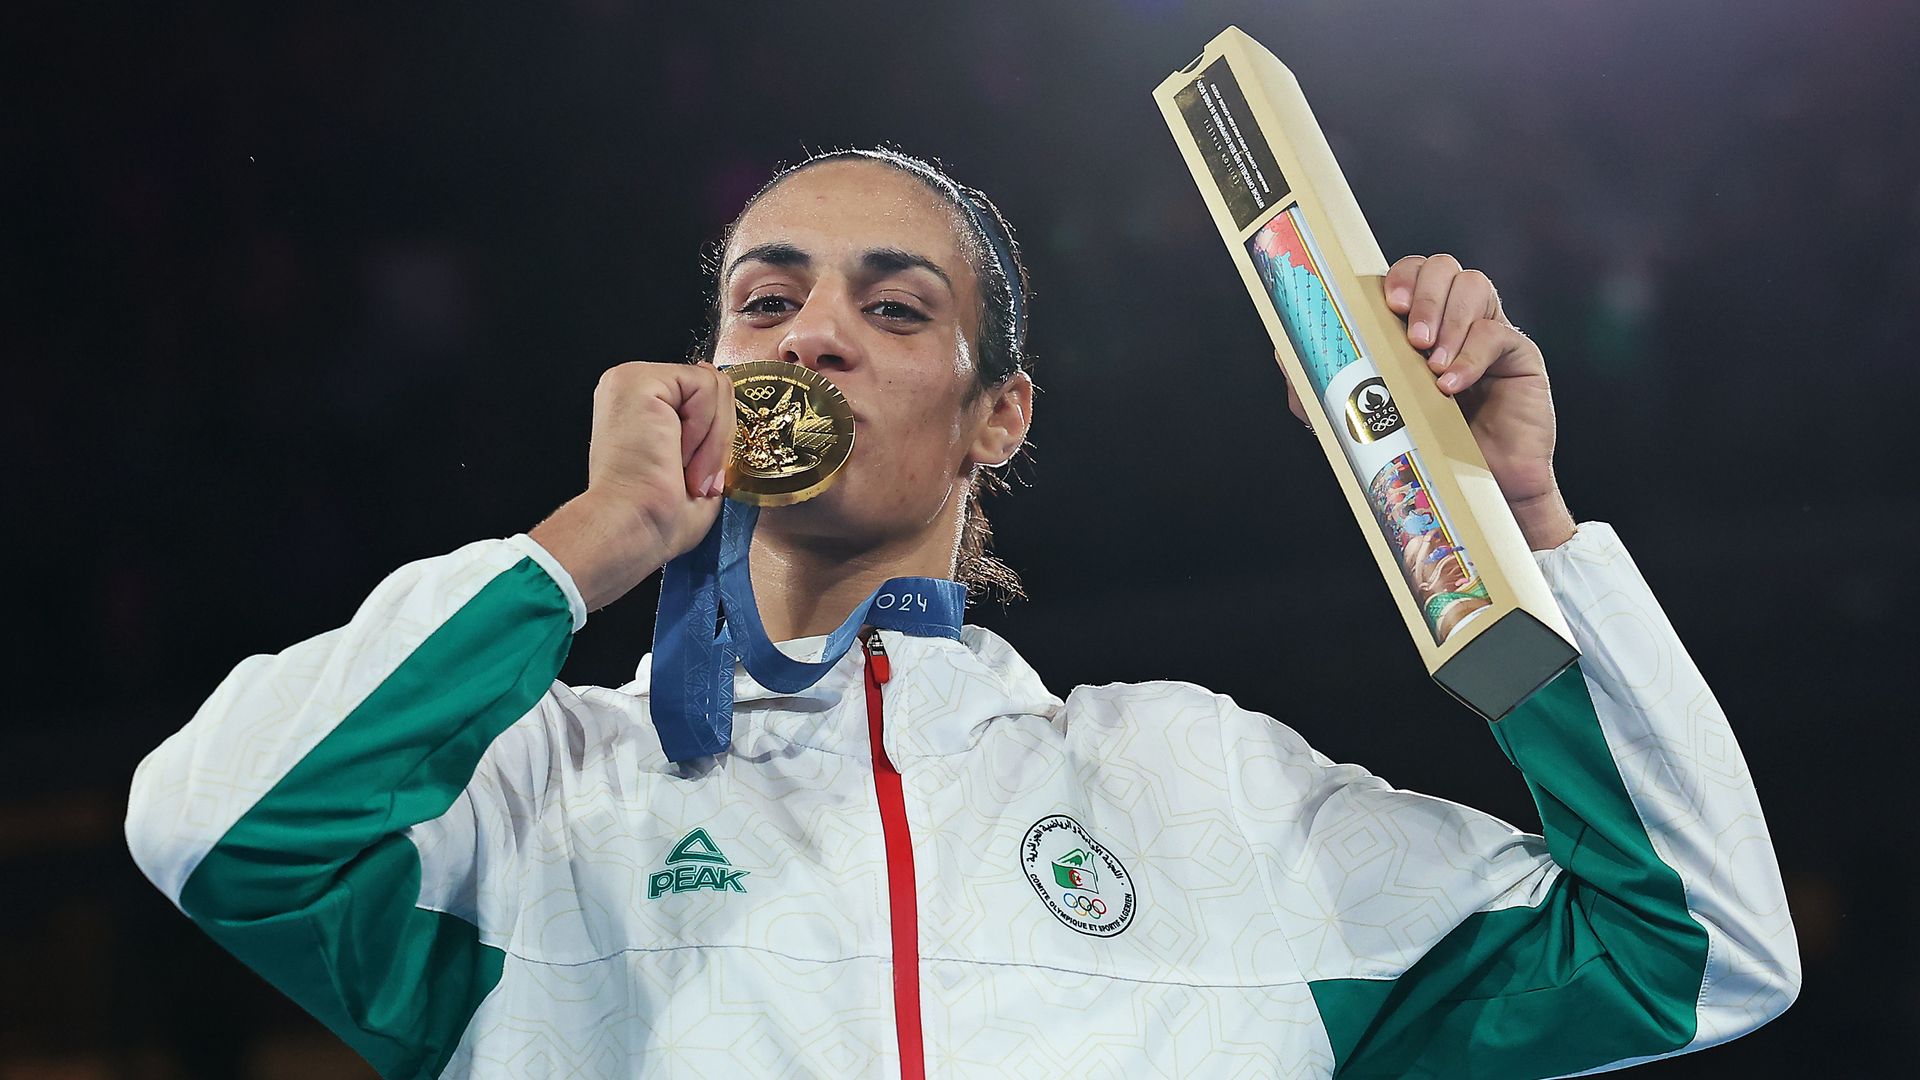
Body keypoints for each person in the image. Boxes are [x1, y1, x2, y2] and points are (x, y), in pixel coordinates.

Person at [124, 148, 1799, 1079]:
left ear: (999, 417)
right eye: (763, 302)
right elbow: (213, 831)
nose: (812, 337)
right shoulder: (545, 793)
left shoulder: (1199, 789)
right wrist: (583, 546)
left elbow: (1700, 954)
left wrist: (1517, 534)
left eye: (892, 304)